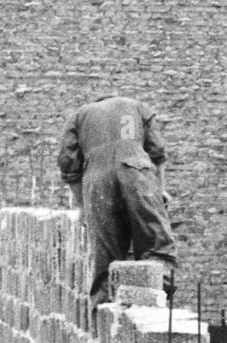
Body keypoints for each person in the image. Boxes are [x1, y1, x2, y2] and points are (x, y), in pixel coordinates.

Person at [57, 94, 177, 314]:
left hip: (97, 181)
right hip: (138, 175)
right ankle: (156, 306)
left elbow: (68, 167)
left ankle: (103, 319)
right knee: (156, 245)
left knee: (107, 258)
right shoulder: (138, 106)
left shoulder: (79, 115)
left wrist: (84, 207)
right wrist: (159, 190)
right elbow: (158, 153)